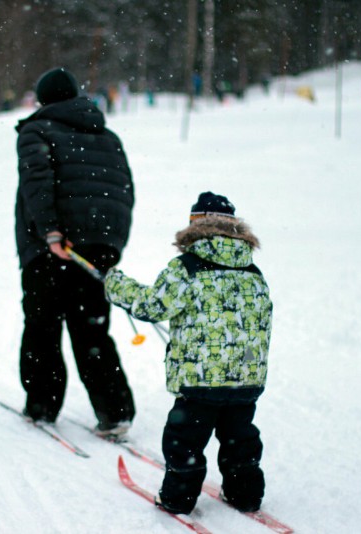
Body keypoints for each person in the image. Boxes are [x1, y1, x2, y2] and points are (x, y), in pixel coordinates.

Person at [104, 192, 273, 515]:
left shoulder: (187, 267)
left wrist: (117, 286)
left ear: (196, 225)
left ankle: (178, 498)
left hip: (200, 380)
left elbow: (153, 305)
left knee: (184, 439)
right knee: (240, 438)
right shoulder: (253, 272)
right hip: (245, 379)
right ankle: (246, 493)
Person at [14, 67, 136, 437]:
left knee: (42, 327)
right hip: (96, 250)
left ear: (43, 99)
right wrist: (110, 244)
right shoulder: (108, 136)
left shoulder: (36, 131)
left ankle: (41, 406)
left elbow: (38, 183)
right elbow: (123, 192)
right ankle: (115, 411)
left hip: (51, 248)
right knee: (91, 329)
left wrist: (51, 231)